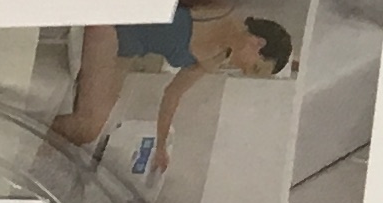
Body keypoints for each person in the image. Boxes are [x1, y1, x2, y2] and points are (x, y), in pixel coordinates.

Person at [56, 10, 293, 179]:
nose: (246, 71)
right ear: (258, 43)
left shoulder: (214, 59)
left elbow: (172, 94)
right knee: (86, 127)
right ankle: (35, 140)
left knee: (88, 132)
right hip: (113, 26)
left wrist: (160, 146)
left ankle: (42, 141)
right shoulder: (218, 13)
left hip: (123, 52)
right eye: (255, 68)